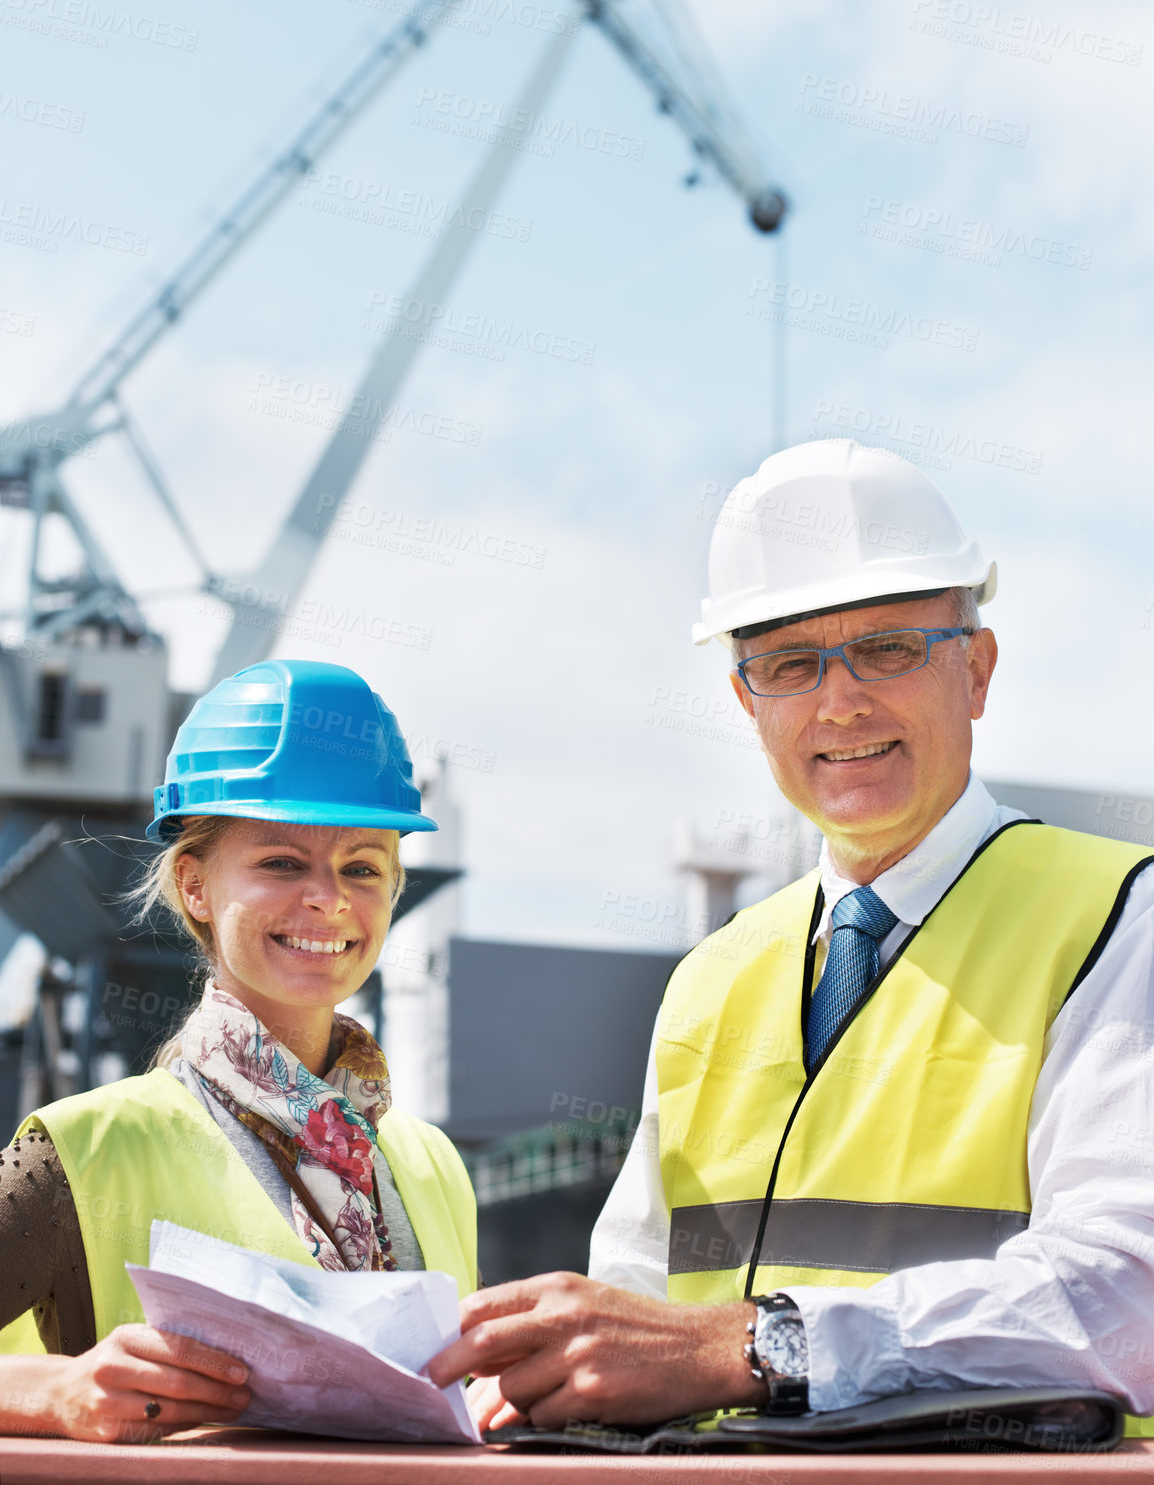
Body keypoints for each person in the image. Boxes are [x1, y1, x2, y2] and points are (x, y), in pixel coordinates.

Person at [430, 438, 1154, 1436]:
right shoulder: (709, 980)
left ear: (976, 669)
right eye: (786, 664)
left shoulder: (1119, 921)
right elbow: (639, 1296)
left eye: (889, 648)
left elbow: (1127, 1299)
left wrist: (758, 1347)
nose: (840, 699)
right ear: (745, 701)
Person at [0, 658, 477, 1443]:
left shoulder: (432, 1166)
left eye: (362, 867)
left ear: (393, 890)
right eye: (281, 863)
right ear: (194, 885)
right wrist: (52, 1393)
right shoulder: (79, 1151)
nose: (327, 896)